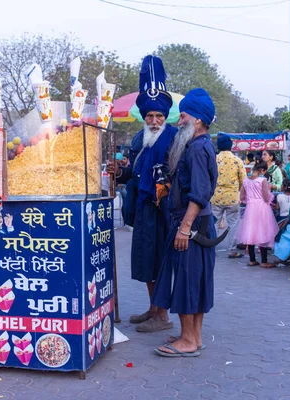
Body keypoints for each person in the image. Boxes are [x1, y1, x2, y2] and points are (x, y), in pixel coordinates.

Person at [105, 55, 178, 333]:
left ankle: (163, 316)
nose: (155, 120)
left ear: (165, 116)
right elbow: (133, 175)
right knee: (147, 261)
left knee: (160, 261)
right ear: (144, 117)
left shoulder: (173, 137)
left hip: (164, 211)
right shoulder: (139, 139)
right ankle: (153, 308)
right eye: (150, 115)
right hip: (143, 209)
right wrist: (118, 173)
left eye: (159, 115)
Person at [152, 88, 218, 358]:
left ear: (198, 121)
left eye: (184, 115)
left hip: (192, 226)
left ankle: (189, 340)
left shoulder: (198, 149)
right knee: (195, 281)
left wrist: (184, 228)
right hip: (194, 225)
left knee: (188, 283)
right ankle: (193, 337)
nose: (179, 121)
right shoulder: (197, 146)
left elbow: (199, 195)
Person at [235, 161, 279, 268]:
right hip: (262, 208)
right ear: (262, 170)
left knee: (251, 232)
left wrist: (250, 199)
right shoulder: (262, 180)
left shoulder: (246, 180)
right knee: (263, 232)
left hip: (250, 208)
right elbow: (266, 197)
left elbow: (241, 197)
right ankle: (264, 261)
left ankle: (252, 260)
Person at [211, 134, 246, 259]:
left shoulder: (213, 159)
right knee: (232, 224)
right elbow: (243, 180)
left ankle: (211, 248)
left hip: (216, 197)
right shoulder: (237, 161)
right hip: (232, 198)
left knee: (214, 223)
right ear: (231, 146)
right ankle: (231, 250)